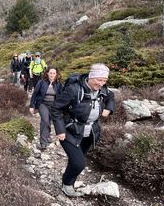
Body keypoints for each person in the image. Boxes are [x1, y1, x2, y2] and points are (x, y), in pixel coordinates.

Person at [50, 63, 115, 197]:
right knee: (79, 163)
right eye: (99, 80)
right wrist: (60, 129)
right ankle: (67, 184)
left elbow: (110, 96)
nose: (102, 83)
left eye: (104, 80)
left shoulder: (103, 89)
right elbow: (55, 108)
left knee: (75, 161)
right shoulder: (74, 90)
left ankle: (69, 184)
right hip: (70, 130)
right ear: (91, 77)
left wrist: (109, 108)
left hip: (89, 132)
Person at [29, 67, 62, 151]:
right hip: (43, 104)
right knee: (45, 120)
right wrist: (31, 106)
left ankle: (47, 136)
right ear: (47, 73)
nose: (52, 75)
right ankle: (43, 143)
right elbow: (35, 94)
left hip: (54, 106)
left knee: (48, 122)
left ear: (56, 74)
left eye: (54, 73)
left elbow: (62, 96)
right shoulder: (41, 82)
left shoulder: (59, 84)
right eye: (50, 73)